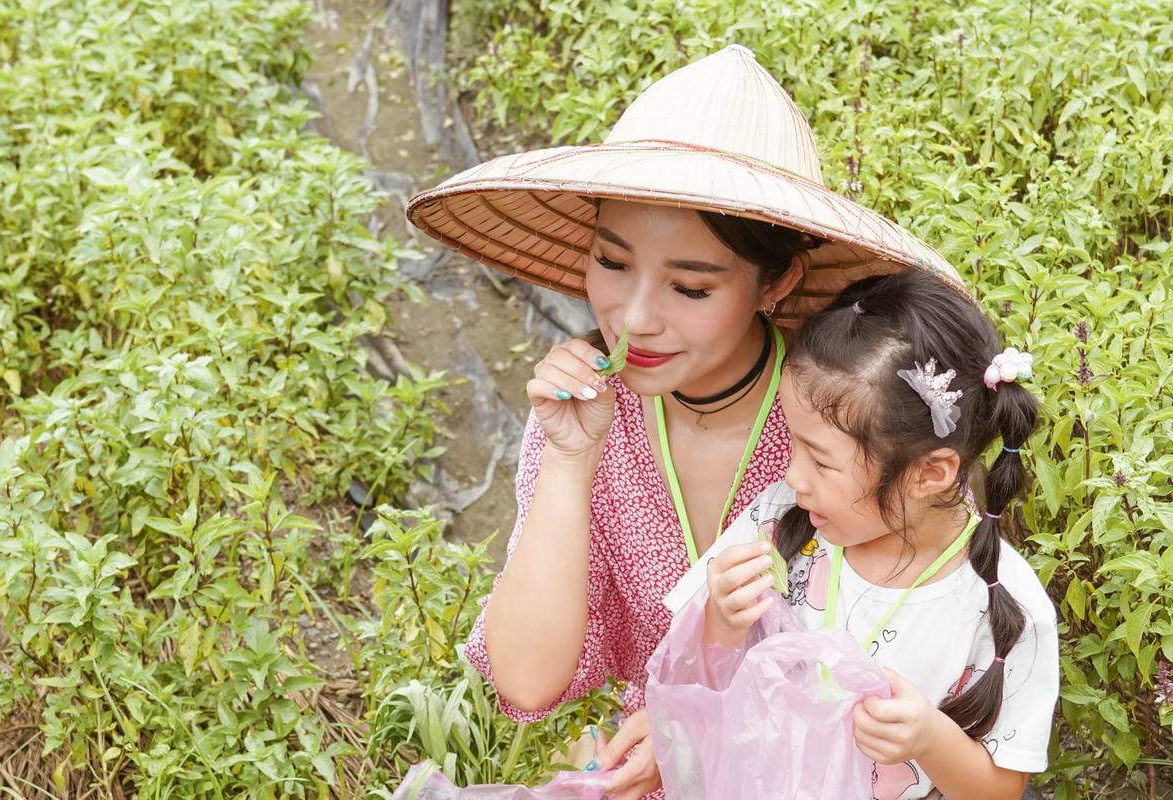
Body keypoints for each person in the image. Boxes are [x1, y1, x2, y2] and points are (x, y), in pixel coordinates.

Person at [408, 45, 966, 799]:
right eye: (612, 262)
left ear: (780, 280)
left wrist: (693, 729)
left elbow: (905, 654)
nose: (633, 319)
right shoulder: (589, 422)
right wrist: (571, 459)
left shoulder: (844, 423)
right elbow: (530, 681)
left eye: (691, 288)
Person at [699, 269, 1059, 800]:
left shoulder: (1005, 608)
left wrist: (930, 739)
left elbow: (1001, 788)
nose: (792, 476)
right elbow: (706, 670)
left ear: (928, 473)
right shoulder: (779, 520)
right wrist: (721, 619)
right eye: (792, 443)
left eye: (820, 461)